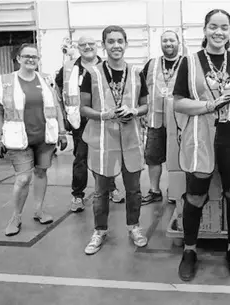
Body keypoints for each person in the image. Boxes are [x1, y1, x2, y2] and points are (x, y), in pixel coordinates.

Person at [173, 9, 230, 281]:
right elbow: (178, 102)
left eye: (224, 27)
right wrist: (209, 105)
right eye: (213, 26)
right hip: (200, 138)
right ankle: (189, 250)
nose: (218, 32)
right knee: (195, 196)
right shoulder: (190, 61)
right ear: (205, 29)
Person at [80, 25, 149, 255]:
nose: (116, 45)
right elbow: (84, 108)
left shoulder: (137, 73)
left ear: (126, 44)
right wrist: (104, 115)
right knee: (100, 192)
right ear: (104, 45)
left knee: (134, 190)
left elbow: (145, 106)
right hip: (103, 141)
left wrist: (135, 111)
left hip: (130, 140)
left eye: (120, 41)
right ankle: (99, 231)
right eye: (111, 41)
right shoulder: (92, 74)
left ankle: (134, 226)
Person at [0, 43, 67, 236]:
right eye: (26, 56)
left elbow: (56, 106)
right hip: (18, 138)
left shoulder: (46, 79)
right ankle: (16, 216)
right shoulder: (4, 82)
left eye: (34, 57)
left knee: (41, 173)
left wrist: (62, 132)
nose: (31, 59)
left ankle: (39, 209)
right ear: (18, 58)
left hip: (45, 137)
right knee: (23, 178)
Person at [55, 36, 124, 213]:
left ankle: (111, 188)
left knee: (107, 155)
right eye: (83, 45)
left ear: (97, 46)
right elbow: (58, 91)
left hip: (104, 119)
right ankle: (77, 195)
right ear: (77, 48)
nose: (87, 47)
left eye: (90, 44)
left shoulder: (107, 66)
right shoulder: (69, 68)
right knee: (81, 158)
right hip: (80, 120)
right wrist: (63, 117)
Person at [140, 30, 182, 205]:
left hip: (179, 120)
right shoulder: (152, 64)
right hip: (155, 119)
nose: (168, 43)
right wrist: (141, 112)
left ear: (178, 43)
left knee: (178, 157)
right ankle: (154, 190)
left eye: (172, 40)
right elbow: (141, 89)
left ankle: (175, 189)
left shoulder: (187, 63)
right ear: (161, 43)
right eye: (165, 40)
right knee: (153, 156)